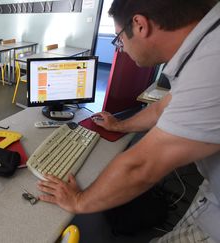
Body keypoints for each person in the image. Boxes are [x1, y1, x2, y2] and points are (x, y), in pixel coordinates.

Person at [37, 0, 220, 242]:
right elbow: (160, 109)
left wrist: (78, 201)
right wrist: (119, 126)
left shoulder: (211, 62)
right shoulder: (205, 45)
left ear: (140, 25)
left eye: (119, 38)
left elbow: (142, 166)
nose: (119, 48)